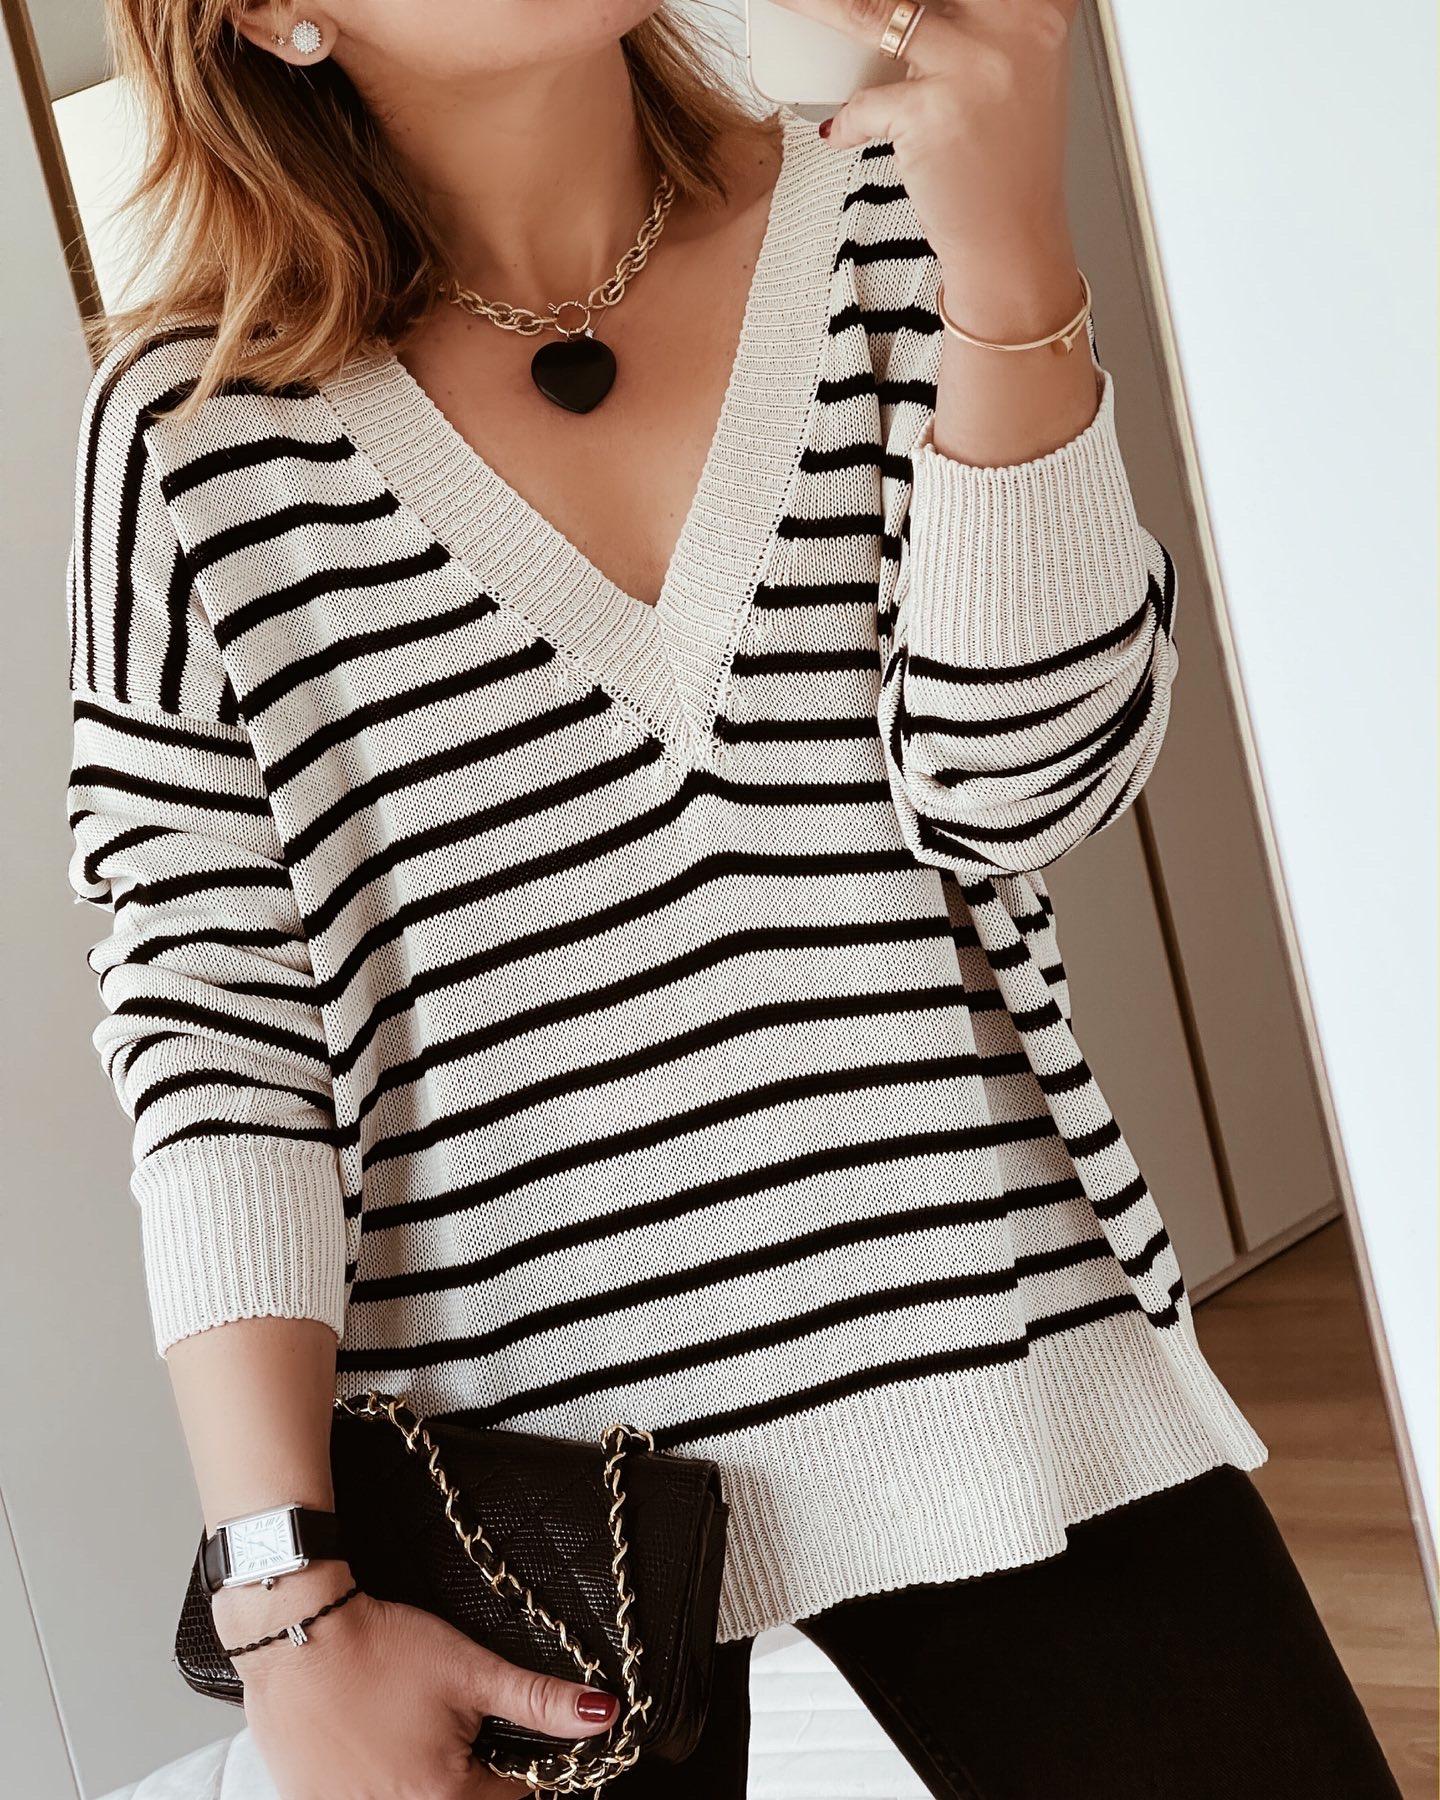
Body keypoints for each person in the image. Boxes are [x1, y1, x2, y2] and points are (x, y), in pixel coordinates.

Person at [64, 1, 1402, 1795]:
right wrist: (286, 1615)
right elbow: (218, 1041)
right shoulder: (192, 439)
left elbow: (1023, 792)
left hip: (994, 1365)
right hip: (525, 1531)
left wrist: (1014, 261)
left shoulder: (889, 217)